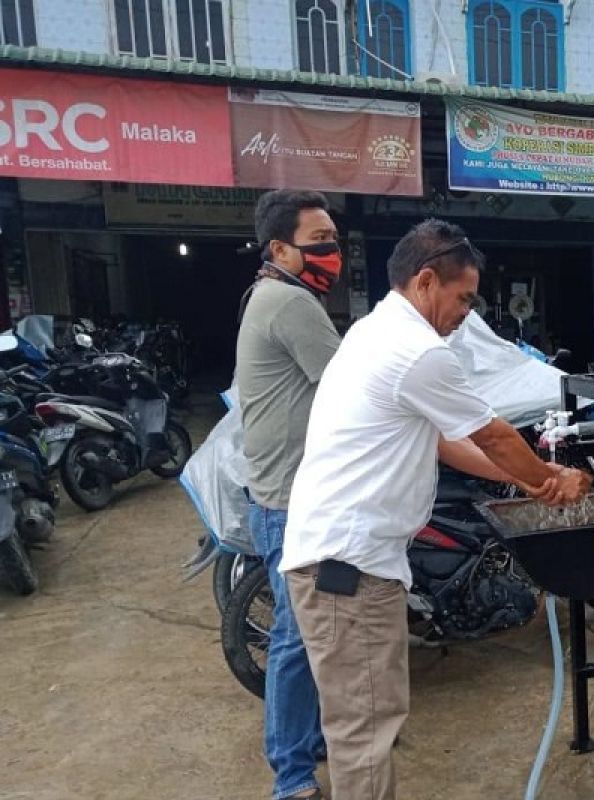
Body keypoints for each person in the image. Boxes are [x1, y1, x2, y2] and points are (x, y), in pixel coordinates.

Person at [279, 219, 591, 800]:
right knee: (365, 734)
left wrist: (529, 482)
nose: (466, 315)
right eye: (464, 298)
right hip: (350, 566)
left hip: (341, 558)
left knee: (364, 724)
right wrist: (549, 481)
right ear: (426, 281)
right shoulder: (417, 351)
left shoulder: (371, 332)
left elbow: (449, 441)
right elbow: (496, 435)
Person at [235, 189, 343, 800]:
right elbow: (349, 386)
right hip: (291, 501)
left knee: (313, 631)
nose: (331, 251)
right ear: (280, 248)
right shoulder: (290, 303)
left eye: (333, 239)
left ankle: (308, 741)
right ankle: (292, 776)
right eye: (319, 242)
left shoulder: (267, 294)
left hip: (286, 492)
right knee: (299, 638)